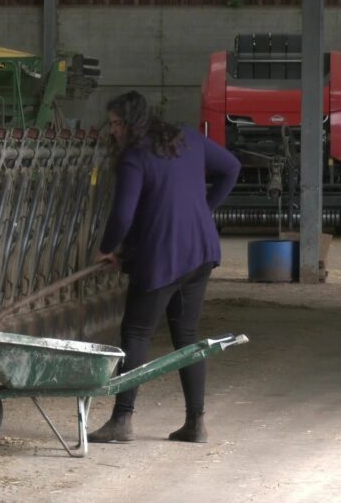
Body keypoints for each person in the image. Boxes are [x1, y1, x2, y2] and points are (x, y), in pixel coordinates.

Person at [88, 91, 240, 444]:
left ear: (129, 123)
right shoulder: (186, 137)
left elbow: (123, 214)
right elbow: (231, 167)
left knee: (137, 333)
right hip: (200, 250)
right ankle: (196, 422)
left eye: (115, 124)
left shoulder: (133, 157)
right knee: (186, 336)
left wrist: (106, 249)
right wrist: (205, 209)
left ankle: (122, 421)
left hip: (162, 255)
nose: (111, 131)